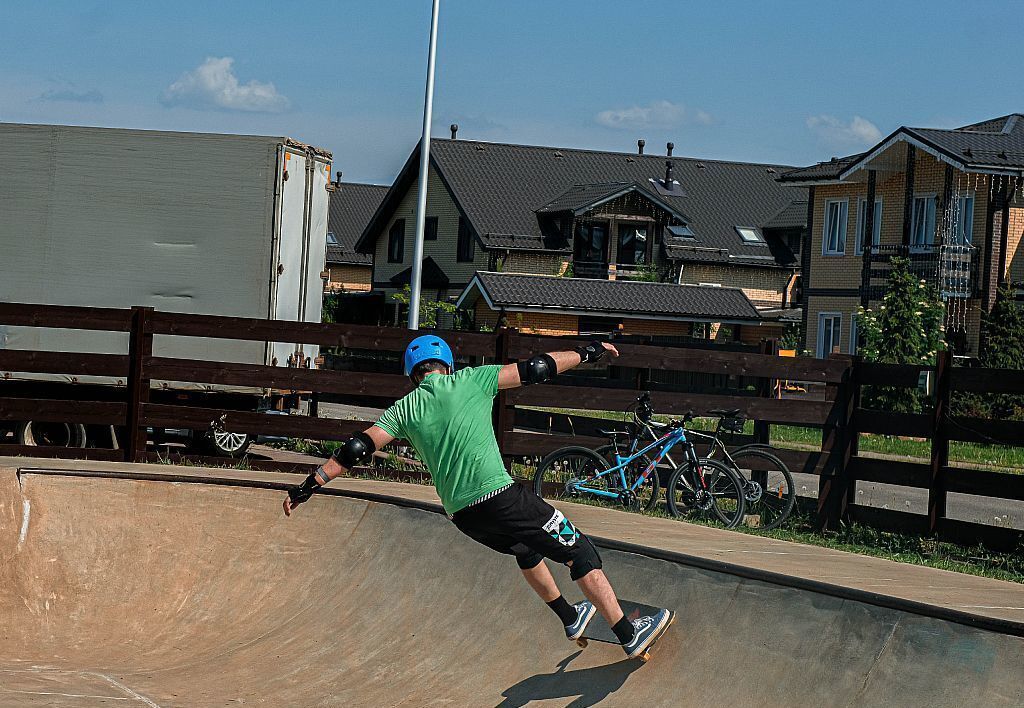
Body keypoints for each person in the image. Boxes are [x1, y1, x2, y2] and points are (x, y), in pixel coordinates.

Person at [283, 335, 672, 658]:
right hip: (501, 496)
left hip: (464, 516)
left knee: (526, 550)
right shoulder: (473, 379)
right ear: (447, 366)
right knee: (580, 552)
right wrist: (589, 351)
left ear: (412, 375)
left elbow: (356, 448)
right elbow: (538, 367)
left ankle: (570, 616)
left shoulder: (402, 410)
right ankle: (627, 632)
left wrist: (308, 485)